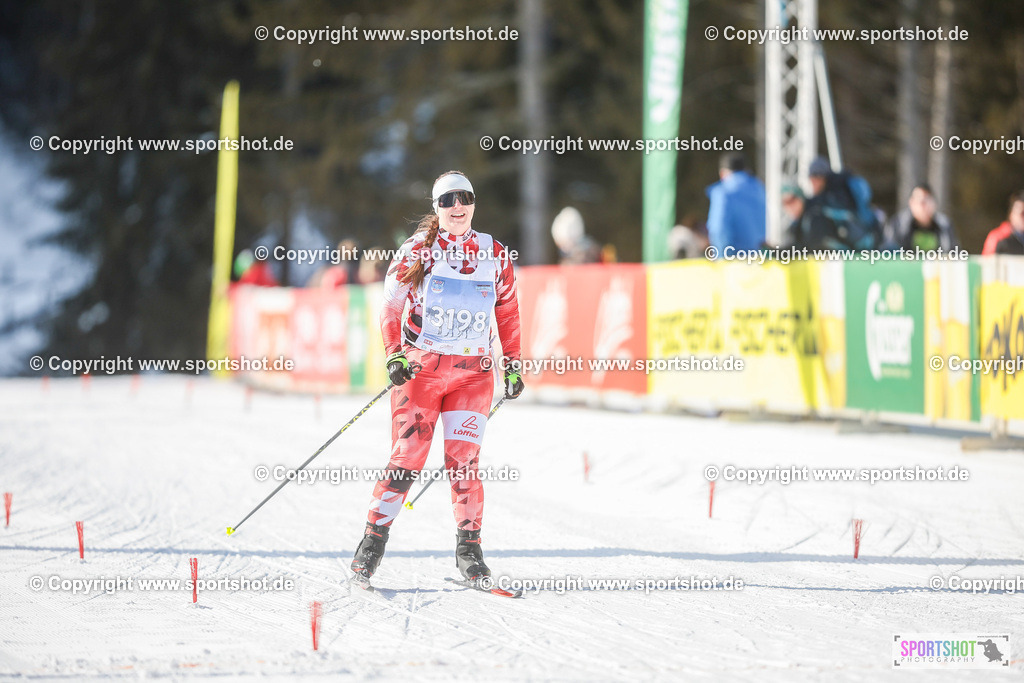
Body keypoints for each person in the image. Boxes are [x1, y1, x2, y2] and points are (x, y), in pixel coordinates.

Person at [350, 170, 524, 585]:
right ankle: (372, 543)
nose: (457, 206)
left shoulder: (495, 254)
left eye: (465, 197)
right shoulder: (417, 251)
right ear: (436, 208)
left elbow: (508, 311)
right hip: (422, 372)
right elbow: (390, 306)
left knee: (464, 461)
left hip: (472, 375)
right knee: (408, 455)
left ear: (474, 203)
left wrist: (513, 363)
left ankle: (470, 552)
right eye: (448, 200)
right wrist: (394, 355)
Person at [705, 153, 765, 255]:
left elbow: (718, 229)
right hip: (759, 260)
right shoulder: (759, 189)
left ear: (723, 173)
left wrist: (720, 256)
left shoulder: (723, 192)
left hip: (734, 261)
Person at [883, 184, 959, 252]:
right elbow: (890, 255)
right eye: (920, 201)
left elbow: (954, 253)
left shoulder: (944, 225)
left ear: (934, 203)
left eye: (927, 200)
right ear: (911, 203)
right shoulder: (898, 225)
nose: (923, 206)